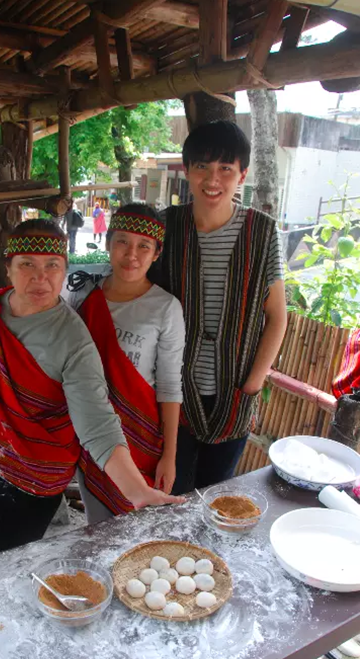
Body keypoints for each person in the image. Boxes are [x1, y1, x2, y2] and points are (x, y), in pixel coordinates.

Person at [0, 219, 182, 557]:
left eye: (52, 265)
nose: (41, 277)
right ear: (8, 269)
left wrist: (136, 491)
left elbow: (96, 423)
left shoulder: (73, 340)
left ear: (65, 271)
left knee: (7, 562)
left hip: (33, 479)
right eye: (27, 265)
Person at [150, 120, 287, 493]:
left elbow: (277, 316)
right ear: (187, 171)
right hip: (173, 390)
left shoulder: (262, 232)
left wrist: (252, 384)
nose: (213, 179)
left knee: (216, 493)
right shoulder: (167, 226)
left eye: (226, 168)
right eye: (202, 167)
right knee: (171, 492)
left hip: (235, 390)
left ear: (242, 174)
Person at [68, 203, 185, 523]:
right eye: (122, 242)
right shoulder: (81, 296)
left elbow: (171, 386)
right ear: (107, 243)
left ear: (156, 253)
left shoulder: (166, 308)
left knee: (137, 528)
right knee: (98, 526)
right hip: (91, 434)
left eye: (143, 246)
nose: (131, 254)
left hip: (143, 438)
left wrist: (169, 456)